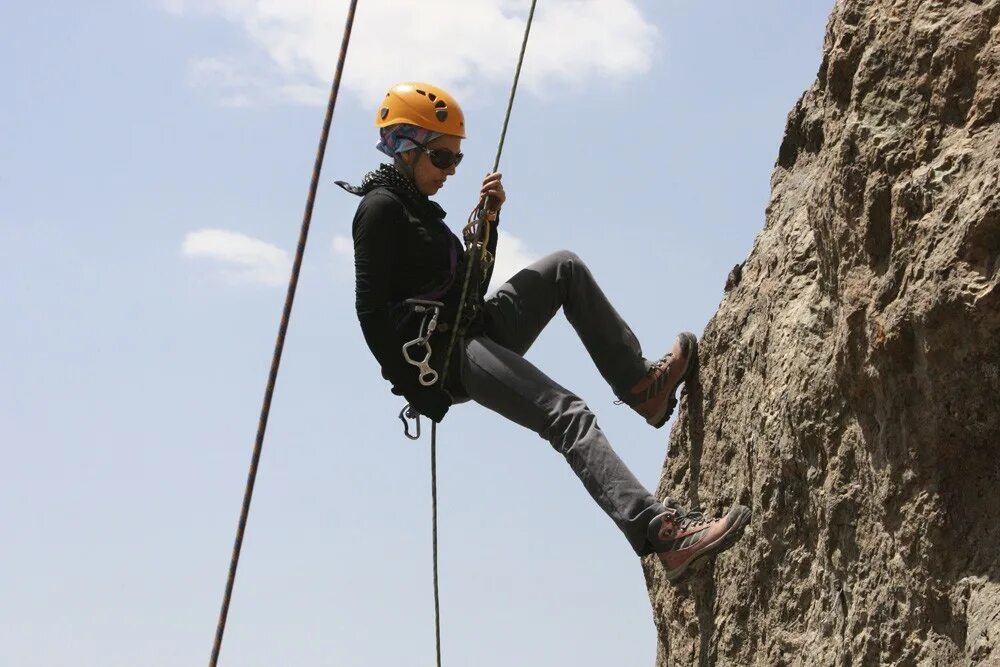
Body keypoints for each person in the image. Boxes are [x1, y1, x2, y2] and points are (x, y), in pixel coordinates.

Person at [339, 82, 750, 581]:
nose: (451, 172)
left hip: (473, 328)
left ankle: (642, 388)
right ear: (406, 146)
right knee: (566, 413)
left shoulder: (420, 209)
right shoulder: (380, 209)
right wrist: (420, 384)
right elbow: (370, 314)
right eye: (443, 157)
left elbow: (468, 288)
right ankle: (661, 534)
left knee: (564, 269)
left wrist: (488, 221)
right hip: (451, 357)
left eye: (457, 161)